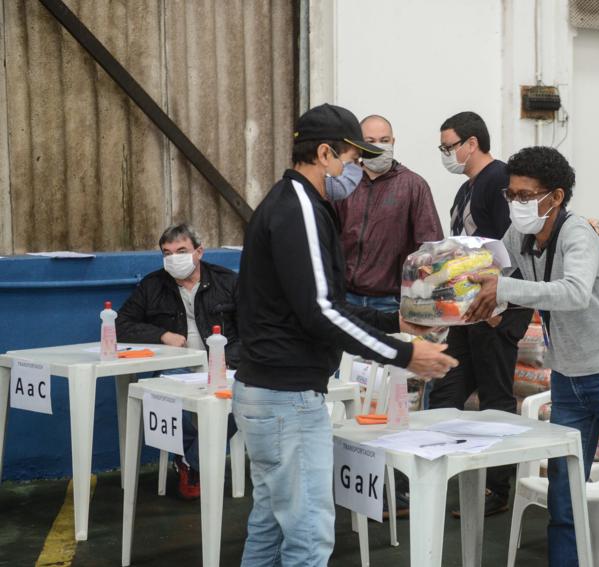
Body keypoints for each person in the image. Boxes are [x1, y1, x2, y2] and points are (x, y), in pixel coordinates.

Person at [234, 103, 457, 567]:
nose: (354, 171)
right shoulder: (300, 210)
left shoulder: (292, 204)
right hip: (287, 398)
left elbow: (322, 302)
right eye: (351, 160)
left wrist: (396, 323)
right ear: (323, 154)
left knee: (271, 527)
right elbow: (319, 314)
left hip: (268, 391)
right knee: (309, 538)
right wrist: (403, 354)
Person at [464, 146, 599, 566]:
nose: (517, 204)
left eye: (526, 195)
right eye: (511, 195)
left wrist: (504, 290)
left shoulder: (577, 234)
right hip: (567, 382)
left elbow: (573, 292)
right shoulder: (520, 237)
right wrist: (471, 289)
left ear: (556, 196)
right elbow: (498, 270)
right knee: (563, 497)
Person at [430, 111, 533, 517]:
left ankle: (498, 489)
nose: (446, 154)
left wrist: (500, 307)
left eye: (449, 146)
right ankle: (435, 470)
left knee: (495, 398)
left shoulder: (499, 181)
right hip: (468, 311)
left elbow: (512, 250)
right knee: (447, 389)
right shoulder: (464, 190)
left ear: (471, 144)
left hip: (496, 309)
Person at [116, 223, 240, 500]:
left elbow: (254, 329)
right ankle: (195, 459)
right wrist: (161, 334)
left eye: (181, 250)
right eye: (167, 252)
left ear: (198, 252)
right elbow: (121, 324)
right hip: (175, 367)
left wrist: (229, 360)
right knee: (159, 394)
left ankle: (189, 461)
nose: (174, 258)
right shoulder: (152, 284)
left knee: (246, 399)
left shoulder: (228, 281)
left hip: (223, 365)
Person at [336, 114, 443, 311]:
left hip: (391, 302)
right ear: (359, 145)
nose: (378, 146)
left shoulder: (413, 185)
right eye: (370, 141)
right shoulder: (345, 183)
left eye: (384, 141)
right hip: (345, 299)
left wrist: (422, 298)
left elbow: (430, 245)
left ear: (393, 142)